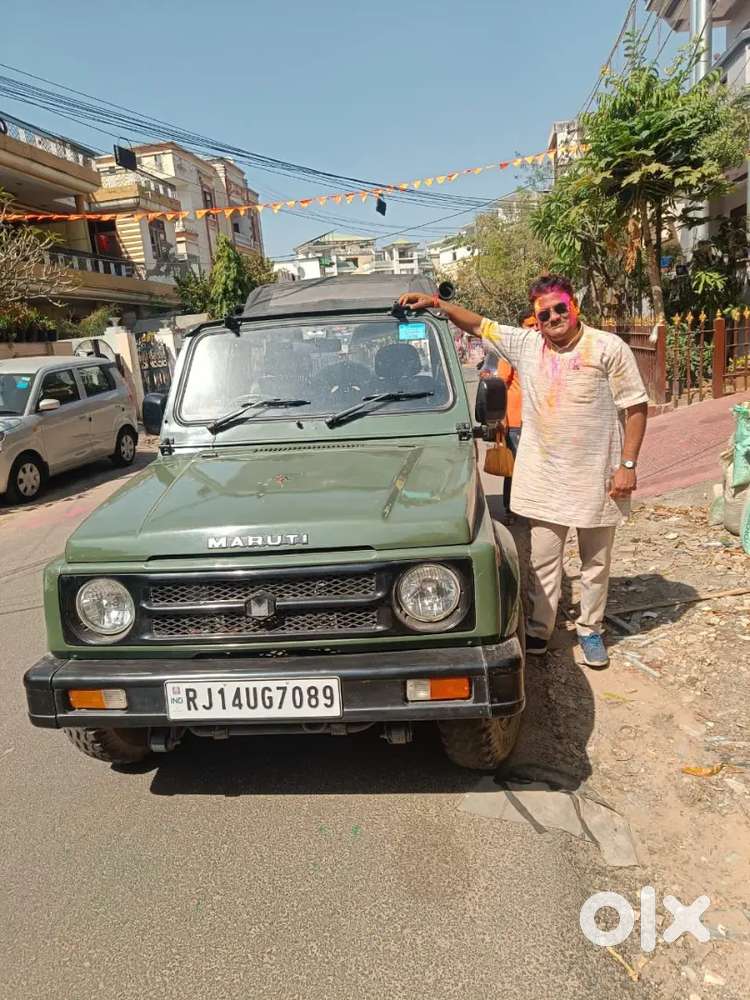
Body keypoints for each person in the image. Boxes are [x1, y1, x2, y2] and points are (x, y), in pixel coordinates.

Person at [399, 275, 649, 668]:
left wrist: (628, 465)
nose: (553, 318)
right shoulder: (528, 345)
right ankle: (538, 629)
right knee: (544, 561)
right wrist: (436, 303)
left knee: (595, 563)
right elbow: (479, 324)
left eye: (560, 309)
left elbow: (636, 407)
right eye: (544, 313)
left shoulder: (606, 348)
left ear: (574, 307)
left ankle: (590, 629)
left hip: (599, 477)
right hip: (546, 478)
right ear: (537, 318)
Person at [480, 349, 523, 520]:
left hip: (535, 420)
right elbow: (499, 386)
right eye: (530, 325)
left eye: (536, 324)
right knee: (515, 468)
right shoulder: (510, 355)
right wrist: (500, 418)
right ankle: (511, 509)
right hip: (515, 421)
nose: (535, 328)